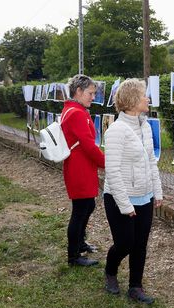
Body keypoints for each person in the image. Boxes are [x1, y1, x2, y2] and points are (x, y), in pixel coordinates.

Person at [103, 78, 163, 304]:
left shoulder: (145, 126)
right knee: (125, 243)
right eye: (144, 95)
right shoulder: (117, 130)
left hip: (144, 196)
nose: (147, 98)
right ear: (131, 100)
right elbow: (113, 172)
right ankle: (110, 271)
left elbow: (151, 161)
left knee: (140, 243)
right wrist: (125, 205)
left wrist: (157, 191)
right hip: (119, 197)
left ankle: (135, 287)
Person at [61, 74, 105, 267]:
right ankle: (73, 255)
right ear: (78, 92)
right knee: (80, 210)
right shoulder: (77, 113)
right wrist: (107, 162)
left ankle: (79, 243)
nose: (93, 97)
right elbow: (88, 144)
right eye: (90, 93)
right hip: (80, 167)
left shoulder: (71, 109)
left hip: (80, 165)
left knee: (88, 206)